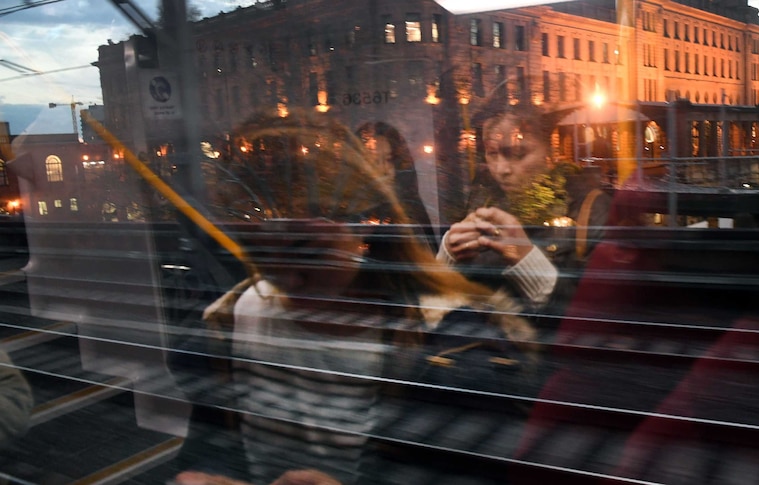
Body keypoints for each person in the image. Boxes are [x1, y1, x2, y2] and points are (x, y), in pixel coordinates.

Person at [174, 110, 538, 485]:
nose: (287, 279)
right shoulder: (237, 315)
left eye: (307, 250)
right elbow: (211, 443)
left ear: (363, 230)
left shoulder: (452, 345)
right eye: (261, 255)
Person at [438, 101, 612, 329]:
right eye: (492, 154)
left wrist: (527, 261)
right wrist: (448, 254)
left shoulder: (592, 208)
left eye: (518, 154)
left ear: (549, 152)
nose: (502, 169)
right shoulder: (480, 203)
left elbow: (600, 318)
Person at [355, 121, 437, 251]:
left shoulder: (410, 210)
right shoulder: (351, 215)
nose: (384, 170)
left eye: (388, 160)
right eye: (374, 162)